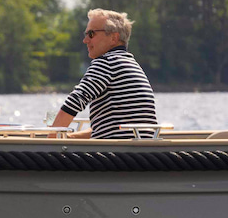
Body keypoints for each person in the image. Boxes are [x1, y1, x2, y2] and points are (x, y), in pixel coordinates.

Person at [49, 9, 158, 139]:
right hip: (138, 146)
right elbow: (109, 128)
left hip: (117, 149)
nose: (85, 40)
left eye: (91, 34)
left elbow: (75, 101)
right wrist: (70, 137)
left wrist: (51, 141)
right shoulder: (131, 64)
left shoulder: (106, 62)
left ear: (113, 38)